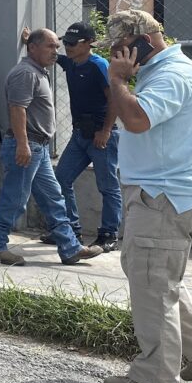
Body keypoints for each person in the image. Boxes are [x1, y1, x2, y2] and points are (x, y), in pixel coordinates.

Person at [99, 11, 192, 383]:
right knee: (156, 278)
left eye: (119, 48)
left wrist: (117, 79)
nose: (115, 56)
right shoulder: (163, 71)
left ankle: (154, 381)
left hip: (161, 197)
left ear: (140, 41)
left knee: (153, 287)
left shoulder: (173, 74)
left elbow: (139, 119)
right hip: (158, 194)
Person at [0, 29, 103, 267]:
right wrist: (23, 144)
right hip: (27, 145)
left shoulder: (38, 72)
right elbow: (18, 109)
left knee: (53, 199)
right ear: (32, 47)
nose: (55, 52)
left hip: (39, 147)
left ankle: (70, 248)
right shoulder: (25, 73)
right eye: (50, 46)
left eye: (57, 47)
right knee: (15, 199)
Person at [23, 23, 122, 252]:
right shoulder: (71, 62)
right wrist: (29, 39)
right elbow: (50, 54)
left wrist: (105, 131)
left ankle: (109, 234)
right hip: (79, 135)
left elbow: (114, 99)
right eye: (64, 42)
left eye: (71, 43)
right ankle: (70, 230)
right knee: (61, 179)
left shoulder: (98, 65)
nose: (66, 47)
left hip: (101, 135)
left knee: (107, 186)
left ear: (89, 44)